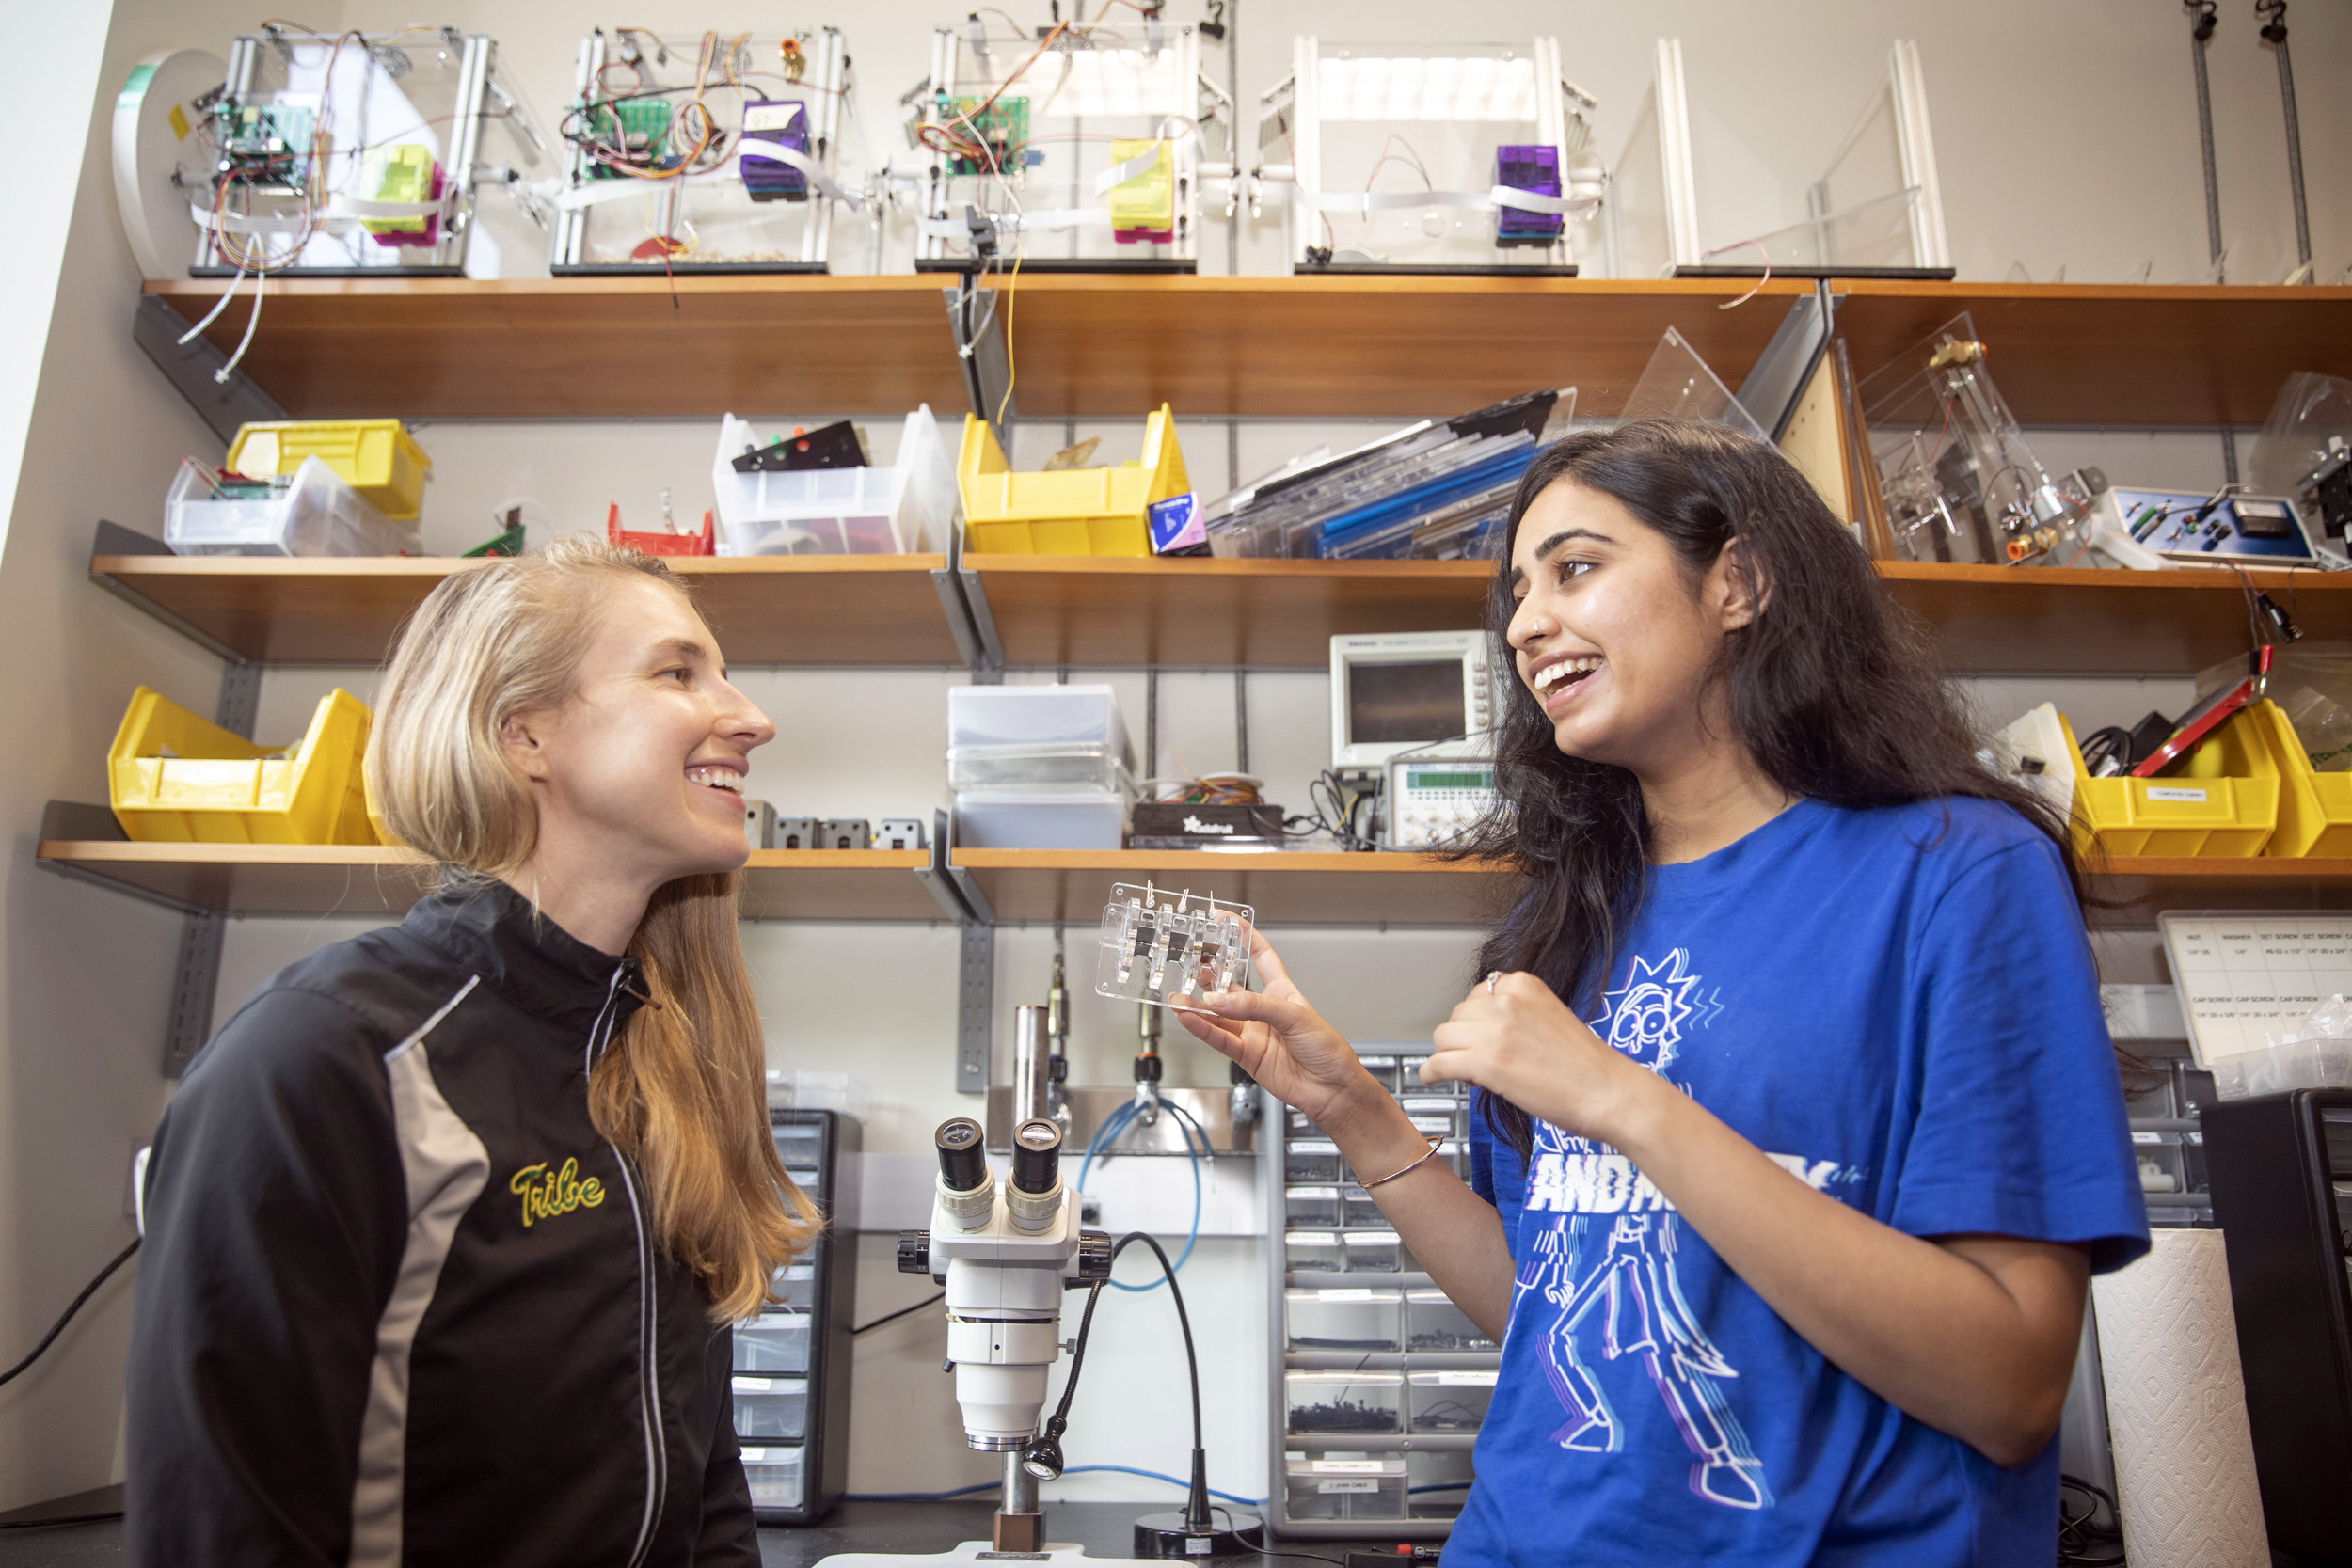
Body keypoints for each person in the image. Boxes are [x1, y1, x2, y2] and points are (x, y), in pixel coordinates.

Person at [1181, 420, 2149, 1565]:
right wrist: (1356, 1114)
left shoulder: (1958, 873)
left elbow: (2007, 1381)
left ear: (1736, 580)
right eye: (1517, 590)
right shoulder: (1572, 921)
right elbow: (1557, 1317)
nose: (1526, 622)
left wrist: (1623, 1100)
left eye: (1576, 567)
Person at [126, 537, 815, 1566]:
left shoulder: (665, 1057)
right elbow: (223, 1527)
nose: (751, 716)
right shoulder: (326, 1055)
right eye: (678, 671)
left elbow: (707, 1484)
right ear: (524, 733)